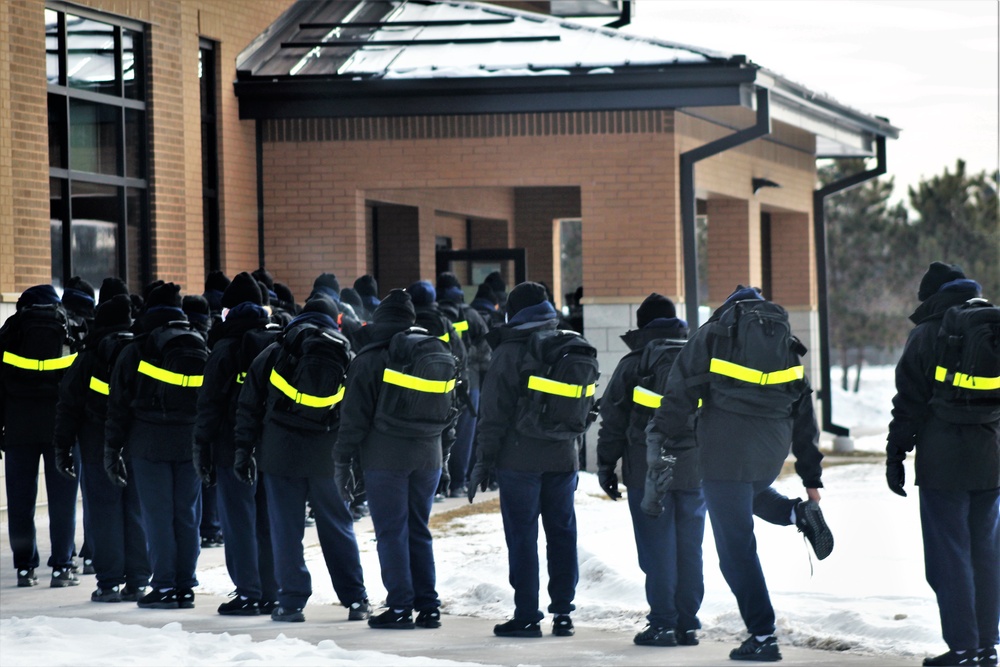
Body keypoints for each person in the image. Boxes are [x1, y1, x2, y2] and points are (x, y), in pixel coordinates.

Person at [645, 285, 832, 662]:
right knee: (752, 492)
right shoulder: (786, 342)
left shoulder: (712, 334)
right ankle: (796, 513)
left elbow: (679, 391)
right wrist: (811, 476)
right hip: (770, 451)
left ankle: (763, 636)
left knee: (735, 551)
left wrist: (661, 437)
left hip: (725, 449)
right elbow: (804, 408)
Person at [470, 281, 598, 639]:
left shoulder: (509, 352)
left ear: (514, 312)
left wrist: (483, 461)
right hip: (563, 458)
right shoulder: (570, 343)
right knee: (562, 534)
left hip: (519, 461)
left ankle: (526, 615)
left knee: (523, 537)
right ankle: (563, 614)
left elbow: (493, 414)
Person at [886, 262, 999, 667]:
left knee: (949, 557)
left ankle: (964, 649)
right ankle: (987, 647)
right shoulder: (994, 328)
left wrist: (895, 455)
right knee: (986, 554)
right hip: (991, 461)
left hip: (943, 464)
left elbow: (908, 404)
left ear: (932, 296)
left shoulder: (927, 333)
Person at [233, 295, 370, 624]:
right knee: (338, 527)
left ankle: (291, 602)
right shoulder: (346, 354)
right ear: (332, 321)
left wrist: (243, 450)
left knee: (286, 530)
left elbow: (248, 407)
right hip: (328, 457)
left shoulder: (273, 352)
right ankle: (356, 599)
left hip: (281, 457)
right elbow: (357, 413)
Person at [335, 287, 456, 630]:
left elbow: (353, 419)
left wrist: (343, 462)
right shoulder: (433, 351)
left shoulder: (370, 357)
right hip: (429, 456)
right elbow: (451, 413)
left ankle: (400, 607)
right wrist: (444, 458)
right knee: (419, 529)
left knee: (391, 532)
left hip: (386, 459)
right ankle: (428, 606)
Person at [596, 293, 705, 647]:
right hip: (694, 469)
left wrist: (606, 465)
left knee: (658, 549)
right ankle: (687, 624)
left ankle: (662, 624)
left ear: (643, 325)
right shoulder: (699, 358)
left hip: (647, 469)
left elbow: (612, 420)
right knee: (690, 548)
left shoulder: (635, 363)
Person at [104, 282, 207, 609]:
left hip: (148, 444)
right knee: (187, 516)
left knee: (158, 517)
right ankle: (186, 586)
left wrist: (112, 449)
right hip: (189, 442)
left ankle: (163, 587)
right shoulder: (199, 343)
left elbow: (118, 406)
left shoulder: (138, 347)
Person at [52, 293, 151, 602]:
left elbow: (68, 406)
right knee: (137, 512)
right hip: (136, 445)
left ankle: (108, 583)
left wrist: (63, 448)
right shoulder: (142, 351)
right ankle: (137, 581)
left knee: (104, 514)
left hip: (96, 445)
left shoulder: (89, 356)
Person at [194, 272, 279, 616]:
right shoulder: (278, 342)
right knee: (266, 522)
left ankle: (247, 592)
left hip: (232, 449)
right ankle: (271, 590)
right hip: (270, 448)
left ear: (228, 311)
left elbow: (209, 404)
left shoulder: (225, 348)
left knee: (238, 522)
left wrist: (202, 448)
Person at [1, 284, 81, 588]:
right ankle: (62, 566)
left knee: (20, 502)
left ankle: (25, 568)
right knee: (63, 501)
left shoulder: (11, 330)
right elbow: (79, 381)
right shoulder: (69, 327)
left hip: (19, 428)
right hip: (61, 427)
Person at [437, 272, 491, 498]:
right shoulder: (472, 315)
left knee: (440, 434)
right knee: (465, 436)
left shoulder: (435, 315)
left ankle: (439, 484)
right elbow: (487, 354)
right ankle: (458, 483)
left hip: (437, 384)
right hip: (471, 385)